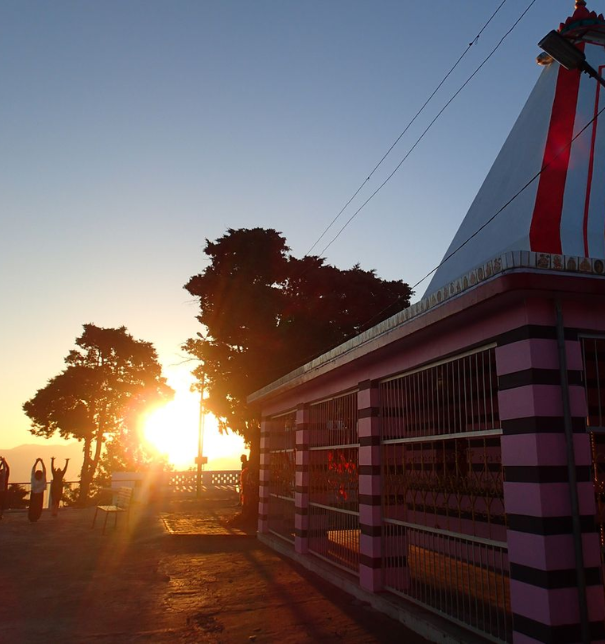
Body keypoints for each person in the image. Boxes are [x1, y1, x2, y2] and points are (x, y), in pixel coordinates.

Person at [29, 458, 47, 523]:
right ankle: (36, 517)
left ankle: (31, 517)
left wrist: (36, 462)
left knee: (32, 506)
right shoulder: (42, 480)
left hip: (33, 494)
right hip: (40, 494)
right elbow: (44, 471)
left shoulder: (33, 479)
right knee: (38, 507)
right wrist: (42, 462)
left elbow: (33, 470)